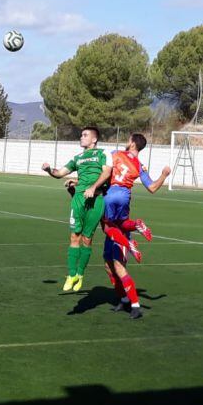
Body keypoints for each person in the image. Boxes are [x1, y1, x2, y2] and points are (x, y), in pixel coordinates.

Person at [100, 133, 171, 319]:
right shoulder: (139, 166)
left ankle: (135, 306)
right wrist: (164, 174)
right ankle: (123, 300)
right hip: (123, 200)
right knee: (108, 263)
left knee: (119, 265)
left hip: (111, 199)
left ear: (132, 143)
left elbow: (102, 166)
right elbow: (153, 188)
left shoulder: (115, 153)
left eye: (128, 139)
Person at [42, 126, 112, 292]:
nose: (81, 137)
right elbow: (60, 173)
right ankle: (71, 274)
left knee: (87, 240)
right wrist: (49, 170)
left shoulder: (103, 153)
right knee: (74, 236)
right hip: (78, 199)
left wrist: (93, 187)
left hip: (96, 200)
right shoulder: (77, 158)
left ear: (94, 139)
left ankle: (80, 275)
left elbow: (107, 173)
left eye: (85, 135)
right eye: (81, 135)